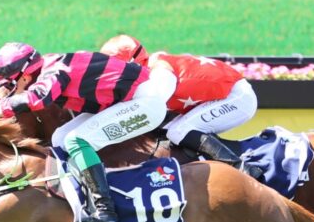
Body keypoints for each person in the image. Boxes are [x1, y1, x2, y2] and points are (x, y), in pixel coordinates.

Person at [0, 42, 176, 222]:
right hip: (130, 101)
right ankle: (82, 200)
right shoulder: (48, 68)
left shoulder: (55, 71)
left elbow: (38, 99)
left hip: (145, 104)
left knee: (75, 140)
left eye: (8, 84)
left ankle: (105, 210)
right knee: (60, 139)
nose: (7, 89)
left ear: (25, 76)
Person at [100, 34, 262, 179]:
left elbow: (150, 109)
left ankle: (241, 168)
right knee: (170, 129)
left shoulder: (160, 72)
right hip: (222, 94)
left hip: (237, 98)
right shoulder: (150, 66)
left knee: (178, 131)